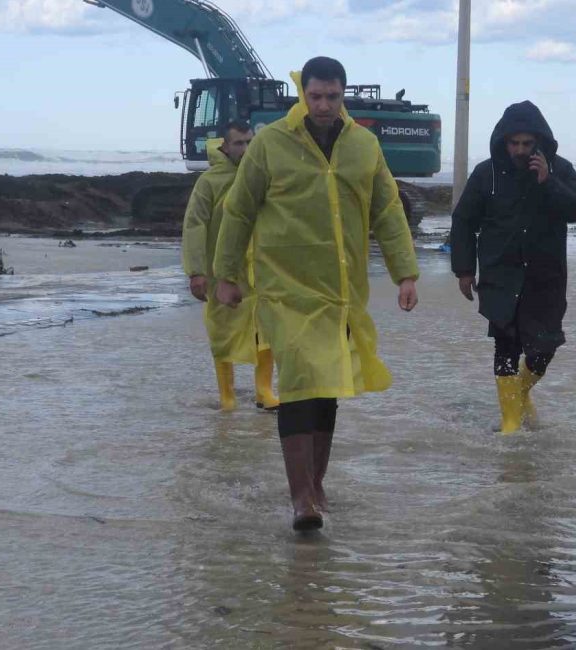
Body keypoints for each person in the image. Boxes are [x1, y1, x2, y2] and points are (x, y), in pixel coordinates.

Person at [213, 56, 419, 532]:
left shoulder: (363, 146)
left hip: (340, 290)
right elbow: (239, 211)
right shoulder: (271, 145)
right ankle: (301, 496)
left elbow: (388, 210)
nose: (324, 105)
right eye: (316, 96)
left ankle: (317, 483)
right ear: (302, 94)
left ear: (343, 95)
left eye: (333, 96)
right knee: (299, 386)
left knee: (327, 389)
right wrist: (226, 274)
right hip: (284, 287)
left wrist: (405, 274)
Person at [450, 101, 576, 434]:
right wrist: (464, 270)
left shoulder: (560, 169)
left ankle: (521, 393)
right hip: (501, 275)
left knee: (545, 348)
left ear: (539, 142)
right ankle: (510, 421)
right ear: (504, 141)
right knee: (506, 347)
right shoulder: (487, 173)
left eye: (527, 144)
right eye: (514, 143)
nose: (520, 150)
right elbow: (463, 221)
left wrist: (548, 182)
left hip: (546, 278)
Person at [182, 122, 278, 412]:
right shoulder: (209, 182)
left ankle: (264, 391)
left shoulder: (262, 177)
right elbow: (195, 226)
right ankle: (227, 396)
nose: (246, 149)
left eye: (250, 142)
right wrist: (196, 271)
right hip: (220, 272)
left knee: (266, 328)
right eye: (239, 143)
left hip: (260, 270)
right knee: (222, 330)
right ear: (224, 146)